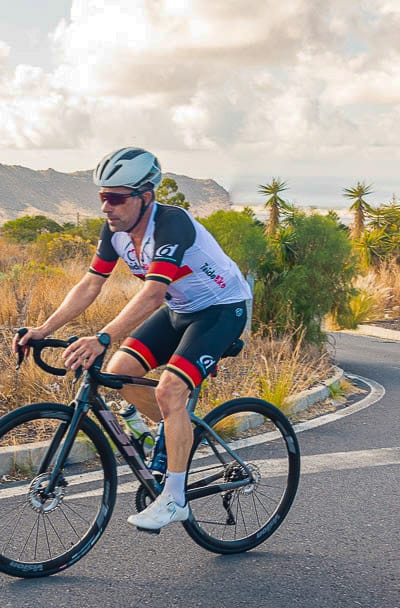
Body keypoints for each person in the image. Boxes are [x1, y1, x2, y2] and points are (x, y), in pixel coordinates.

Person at [13, 147, 253, 531]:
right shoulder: (116, 232)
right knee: (120, 371)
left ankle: (174, 499)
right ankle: (177, 434)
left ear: (146, 197)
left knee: (170, 390)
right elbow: (90, 284)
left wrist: (103, 336)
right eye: (102, 197)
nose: (107, 207)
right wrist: (43, 330)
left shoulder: (173, 225)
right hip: (180, 309)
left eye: (116, 197)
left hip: (222, 309)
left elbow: (154, 293)